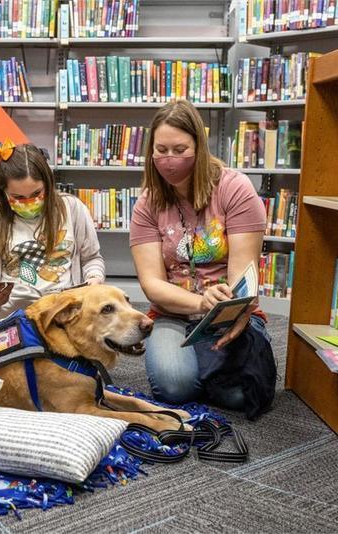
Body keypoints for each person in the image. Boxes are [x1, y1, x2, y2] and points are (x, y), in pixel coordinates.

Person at [130, 100, 276, 417]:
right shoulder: (147, 203)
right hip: (172, 313)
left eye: (180, 149)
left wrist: (229, 309)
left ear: (199, 146)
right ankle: (199, 366)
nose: (169, 160)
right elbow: (152, 283)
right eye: (161, 150)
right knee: (174, 387)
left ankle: (204, 365)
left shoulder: (234, 188)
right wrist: (198, 303)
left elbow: (243, 275)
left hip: (227, 314)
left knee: (240, 396)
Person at [0, 141, 106, 322]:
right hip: (13, 317)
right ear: (2, 191)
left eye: (37, 193)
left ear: (48, 184)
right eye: (18, 197)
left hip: (63, 314)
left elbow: (92, 258)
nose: (28, 202)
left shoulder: (72, 209)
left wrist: (94, 279)